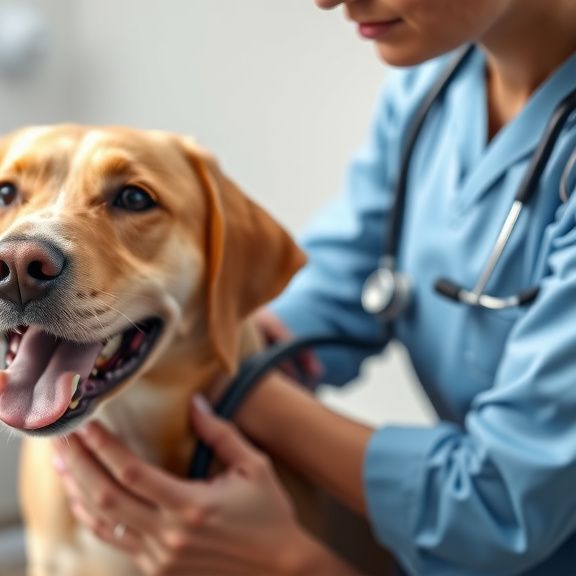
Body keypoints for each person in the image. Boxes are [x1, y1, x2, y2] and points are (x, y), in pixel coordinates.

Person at [52, 0, 576, 574]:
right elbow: (343, 277)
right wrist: (251, 338)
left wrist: (237, 379)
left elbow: (500, 508)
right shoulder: (433, 87)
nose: (326, 1)